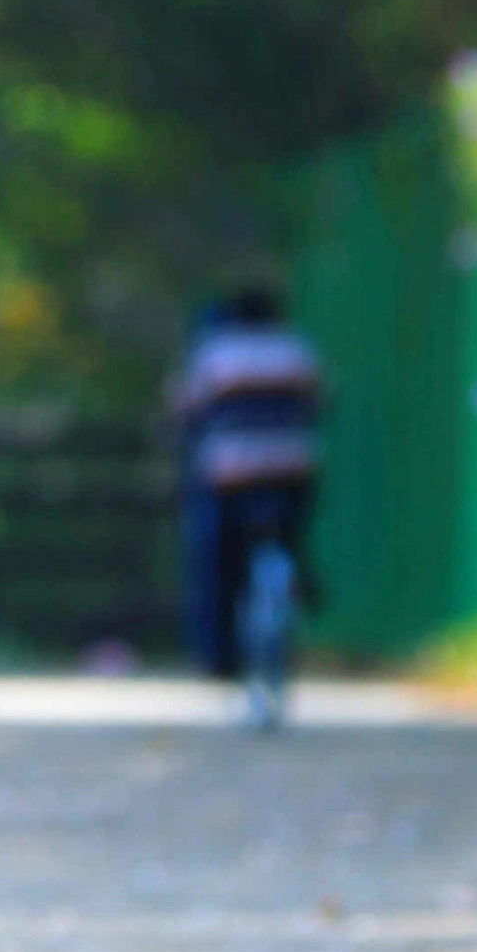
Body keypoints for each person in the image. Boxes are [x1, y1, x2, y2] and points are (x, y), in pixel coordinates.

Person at [173, 279, 324, 686]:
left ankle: (218, 655)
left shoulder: (215, 352)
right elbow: (320, 401)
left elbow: (186, 409)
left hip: (231, 474)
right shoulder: (296, 349)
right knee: (292, 533)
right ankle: (299, 579)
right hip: (292, 469)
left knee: (217, 558)